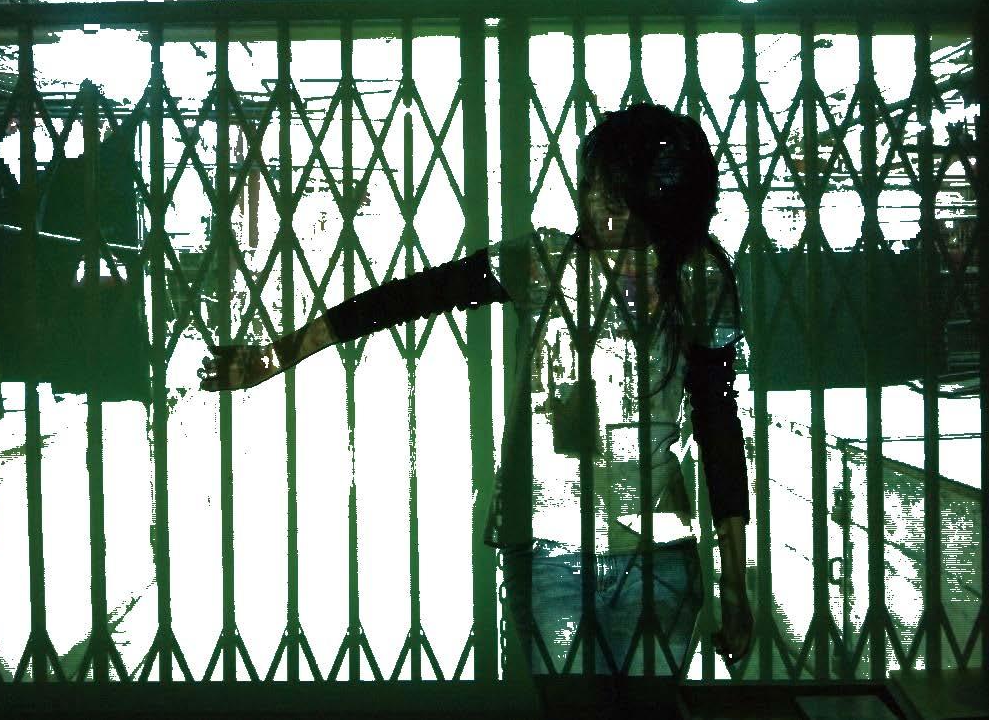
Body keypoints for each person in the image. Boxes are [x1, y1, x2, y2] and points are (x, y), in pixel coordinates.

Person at [198, 102, 754, 714]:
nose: (599, 202)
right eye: (594, 184)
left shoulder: (699, 276)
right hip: (548, 550)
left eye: (618, 188)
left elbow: (718, 421)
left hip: (660, 555)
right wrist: (281, 353)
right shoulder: (543, 262)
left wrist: (734, 577)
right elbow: (414, 295)